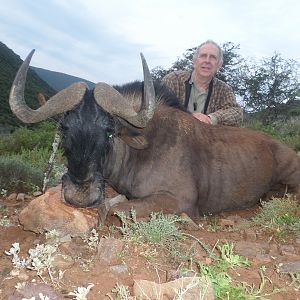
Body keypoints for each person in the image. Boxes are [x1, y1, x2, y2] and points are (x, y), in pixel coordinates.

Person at [162, 40, 243, 126]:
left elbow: (236, 113)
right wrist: (187, 117)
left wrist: (211, 118)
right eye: (203, 56)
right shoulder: (173, 80)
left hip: (208, 138)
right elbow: (159, 109)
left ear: (219, 64)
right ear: (194, 61)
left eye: (213, 57)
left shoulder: (224, 89)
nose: (207, 61)